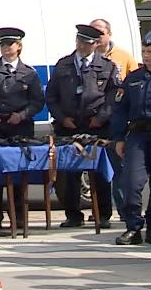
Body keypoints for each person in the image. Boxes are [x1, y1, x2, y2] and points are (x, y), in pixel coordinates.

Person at [45, 24, 120, 228]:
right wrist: (62, 118)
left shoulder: (107, 66)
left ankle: (102, 215)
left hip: (96, 126)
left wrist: (101, 118)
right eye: (79, 41)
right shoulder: (64, 65)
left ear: (95, 44)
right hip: (68, 126)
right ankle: (73, 215)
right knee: (69, 175)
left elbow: (114, 97)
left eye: (86, 43)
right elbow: (51, 97)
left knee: (99, 174)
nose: (81, 46)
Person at [0, 27, 44, 229]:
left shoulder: (29, 74)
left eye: (10, 44)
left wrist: (21, 115)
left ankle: (20, 215)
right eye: (3, 44)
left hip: (19, 128)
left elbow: (38, 102)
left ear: (19, 47)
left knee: (19, 174)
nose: (6, 48)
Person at [111, 30, 151, 246]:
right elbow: (119, 109)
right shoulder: (134, 78)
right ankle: (133, 227)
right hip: (137, 134)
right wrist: (118, 138)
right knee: (131, 182)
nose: (146, 55)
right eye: (144, 51)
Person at [91, 18, 139, 220]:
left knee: (119, 170)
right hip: (92, 122)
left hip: (116, 121)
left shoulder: (124, 57)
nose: (97, 36)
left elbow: (136, 87)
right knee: (96, 171)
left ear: (109, 34)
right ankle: (101, 212)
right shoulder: (85, 56)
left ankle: (124, 212)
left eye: (100, 32)